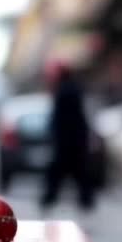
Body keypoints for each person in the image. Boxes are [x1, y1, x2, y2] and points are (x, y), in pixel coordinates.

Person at [41, 65, 96, 212]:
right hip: (74, 142)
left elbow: (64, 120)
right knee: (78, 173)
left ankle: (50, 199)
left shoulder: (65, 91)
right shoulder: (70, 89)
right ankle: (85, 200)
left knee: (62, 172)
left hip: (68, 142)